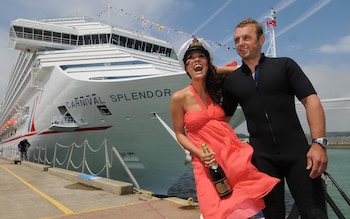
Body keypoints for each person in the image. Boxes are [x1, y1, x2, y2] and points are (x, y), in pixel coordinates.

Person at [222, 18, 328, 218]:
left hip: (299, 155)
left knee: (314, 213)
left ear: (261, 39)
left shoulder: (284, 65)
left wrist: (318, 144)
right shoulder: (233, 81)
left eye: (246, 38)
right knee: (272, 214)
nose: (240, 43)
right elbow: (222, 121)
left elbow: (311, 101)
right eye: (236, 40)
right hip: (262, 160)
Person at [171, 37, 280, 219]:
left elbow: (245, 72)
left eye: (201, 57)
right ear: (186, 66)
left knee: (237, 208)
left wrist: (216, 69)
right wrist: (199, 153)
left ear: (208, 63)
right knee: (213, 209)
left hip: (232, 157)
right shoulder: (179, 98)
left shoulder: (216, 91)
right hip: (206, 162)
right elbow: (179, 134)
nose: (196, 60)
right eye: (191, 58)